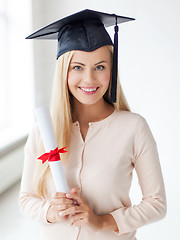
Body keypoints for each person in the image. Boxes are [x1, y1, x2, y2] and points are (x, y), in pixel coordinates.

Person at [19, 9, 166, 240]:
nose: (89, 79)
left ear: (112, 69)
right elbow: (26, 199)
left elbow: (156, 204)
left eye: (100, 67)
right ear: (64, 72)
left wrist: (102, 221)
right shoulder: (43, 131)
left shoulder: (134, 128)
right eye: (77, 67)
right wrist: (51, 211)